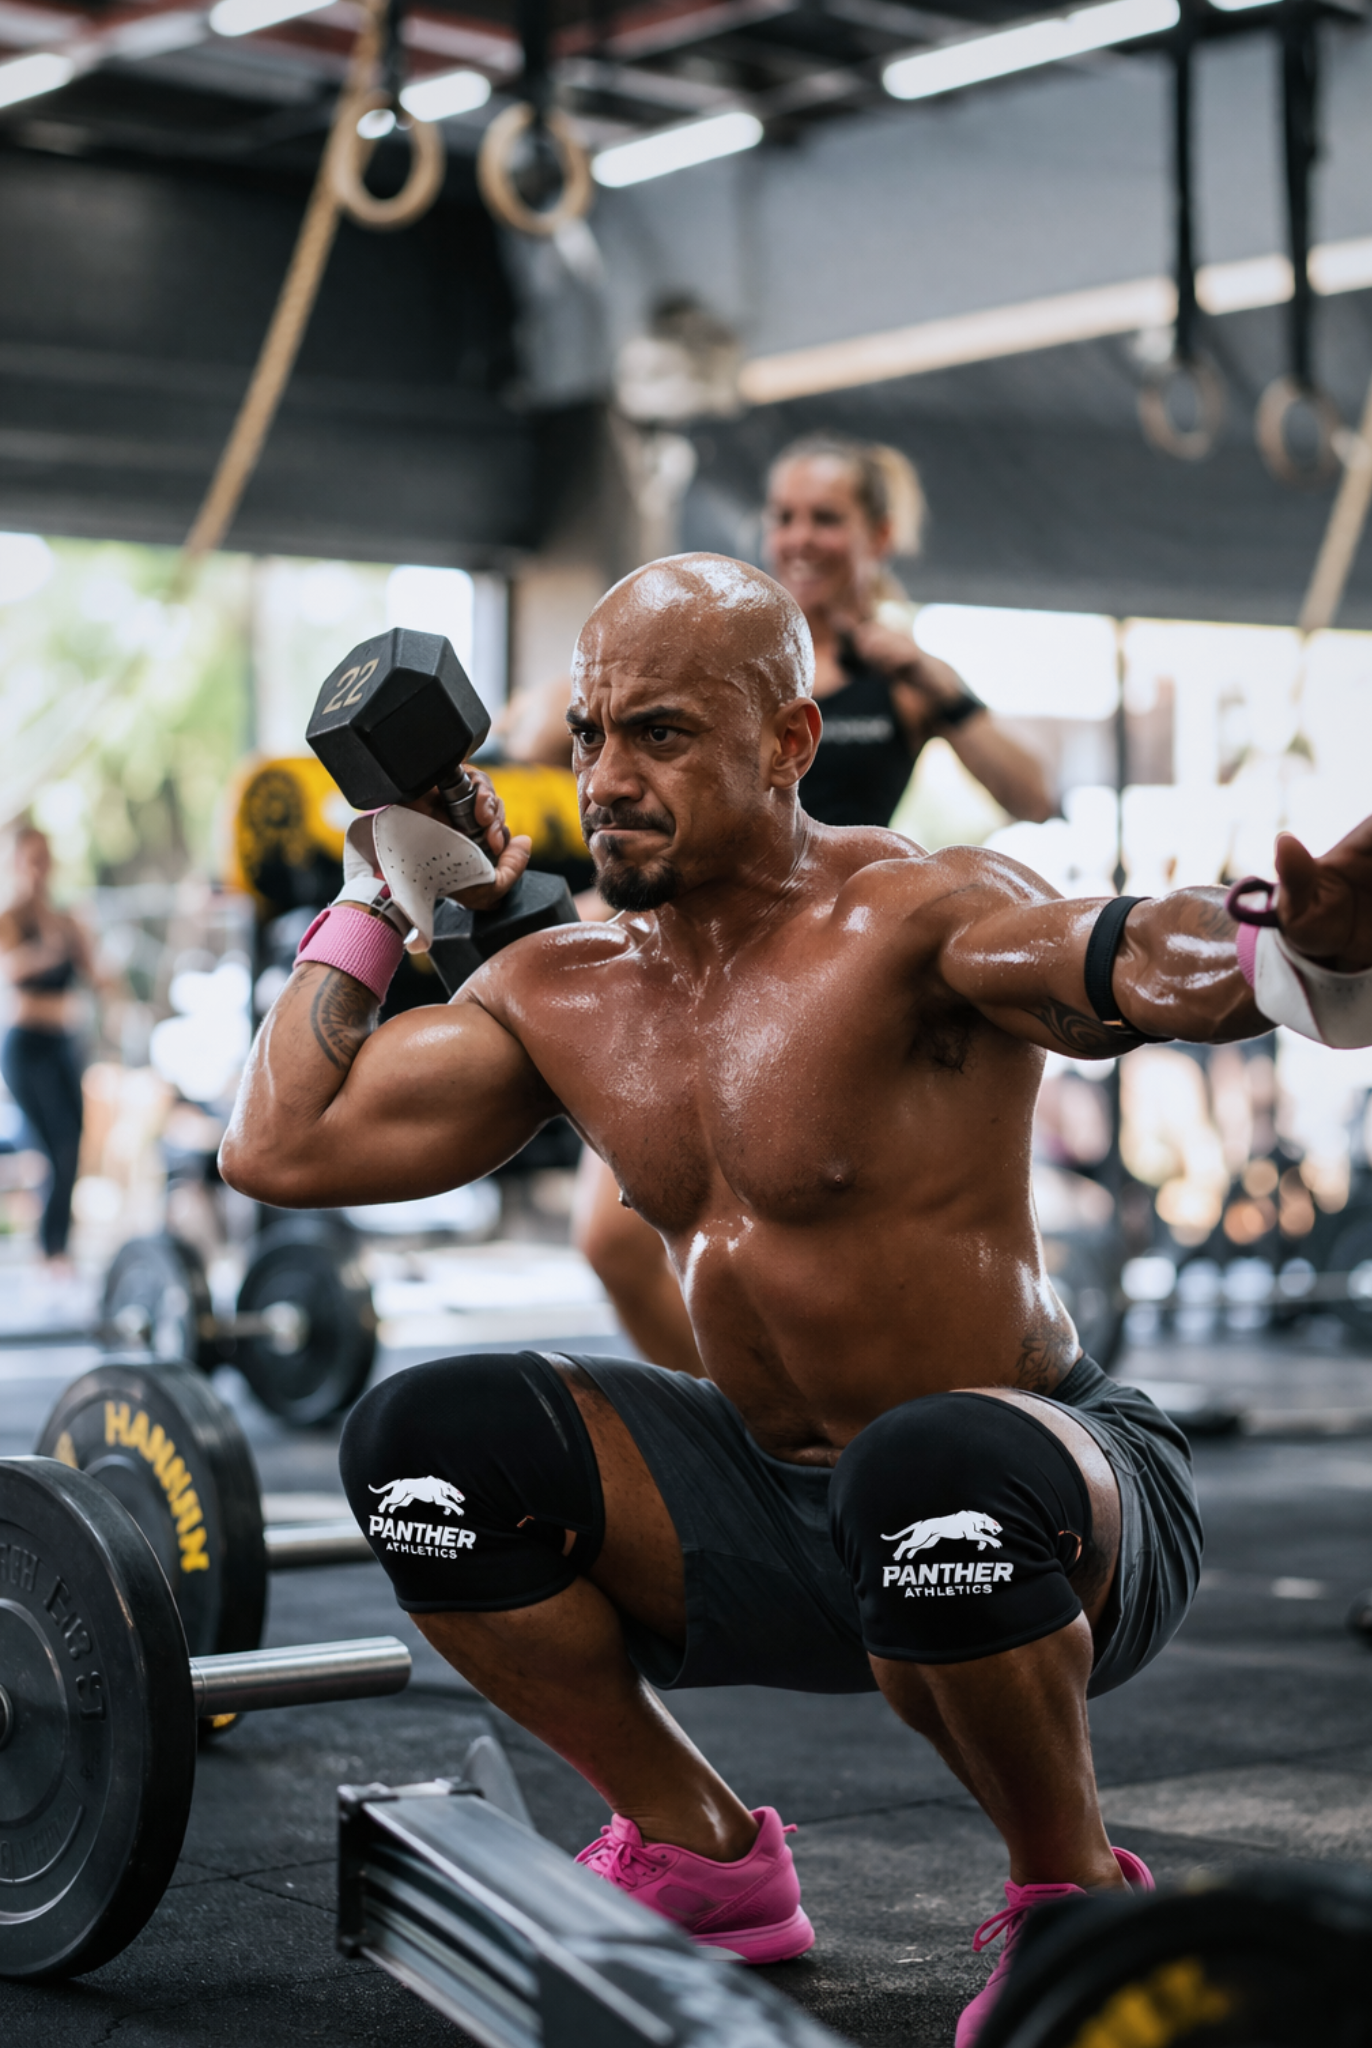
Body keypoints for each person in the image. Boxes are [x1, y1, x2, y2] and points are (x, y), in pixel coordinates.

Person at [221, 556, 1372, 2045]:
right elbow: (280, 1144)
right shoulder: (563, 989)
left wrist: (1296, 945)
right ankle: (698, 1852)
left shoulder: (913, 916)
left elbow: (1134, 958)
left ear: (789, 744)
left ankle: (1072, 1901)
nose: (607, 777)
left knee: (923, 1467)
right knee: (420, 1449)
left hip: (1041, 1492)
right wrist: (388, 890)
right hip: (777, 1507)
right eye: (588, 733)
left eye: (663, 735)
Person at [507, 437, 1056, 1373]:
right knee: (611, 1239)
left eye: (827, 517)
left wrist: (931, 675)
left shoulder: (899, 682)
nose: (800, 537)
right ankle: (747, 1428)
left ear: (877, 535)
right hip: (700, 967)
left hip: (846, 981)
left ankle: (852, 1422)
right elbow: (538, 728)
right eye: (786, 516)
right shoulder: (705, 656)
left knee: (841, 1243)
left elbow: (1035, 791)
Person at [0, 826, 101, 1271]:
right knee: (51, 1147)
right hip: (25, 1051)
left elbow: (96, 978)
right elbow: (14, 997)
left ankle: (59, 1248)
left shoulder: (67, 920)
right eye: (29, 859)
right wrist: (59, 1004)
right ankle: (48, 1251)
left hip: (61, 1048)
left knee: (73, 1143)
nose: (38, 869)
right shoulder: (9, 919)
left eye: (43, 858)